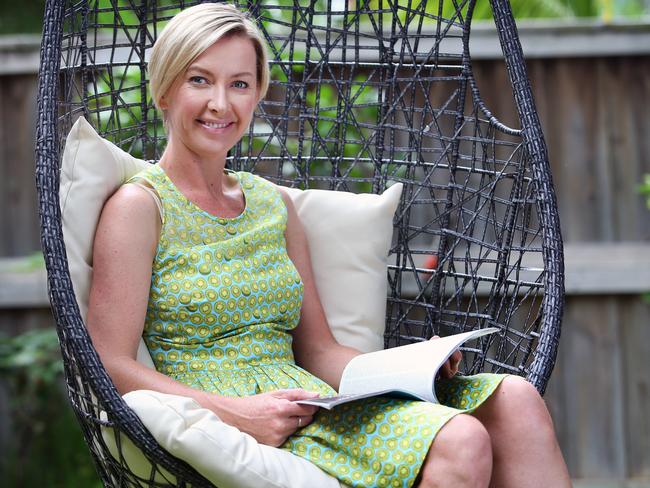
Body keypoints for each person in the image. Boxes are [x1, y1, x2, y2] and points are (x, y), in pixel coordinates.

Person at [86, 4, 571, 487]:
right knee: (462, 440)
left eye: (239, 83)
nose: (221, 103)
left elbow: (318, 351)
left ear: (256, 93)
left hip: (313, 402)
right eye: (199, 80)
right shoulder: (140, 207)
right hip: (242, 415)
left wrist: (409, 369)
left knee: (516, 400)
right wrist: (235, 413)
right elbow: (109, 361)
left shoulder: (272, 205)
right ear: (164, 89)